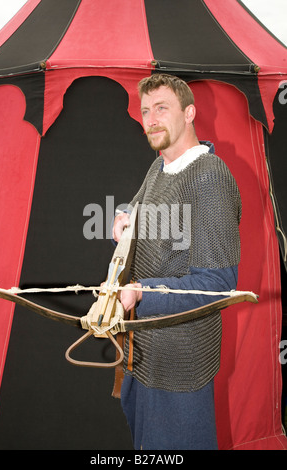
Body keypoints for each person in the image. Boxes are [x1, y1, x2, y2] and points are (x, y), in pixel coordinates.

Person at [112, 74, 241, 450]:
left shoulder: (209, 178)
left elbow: (217, 284)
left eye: (162, 108)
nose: (151, 119)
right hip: (142, 350)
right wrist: (124, 214)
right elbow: (140, 208)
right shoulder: (159, 168)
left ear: (189, 113)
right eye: (146, 110)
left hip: (181, 357)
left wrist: (142, 293)